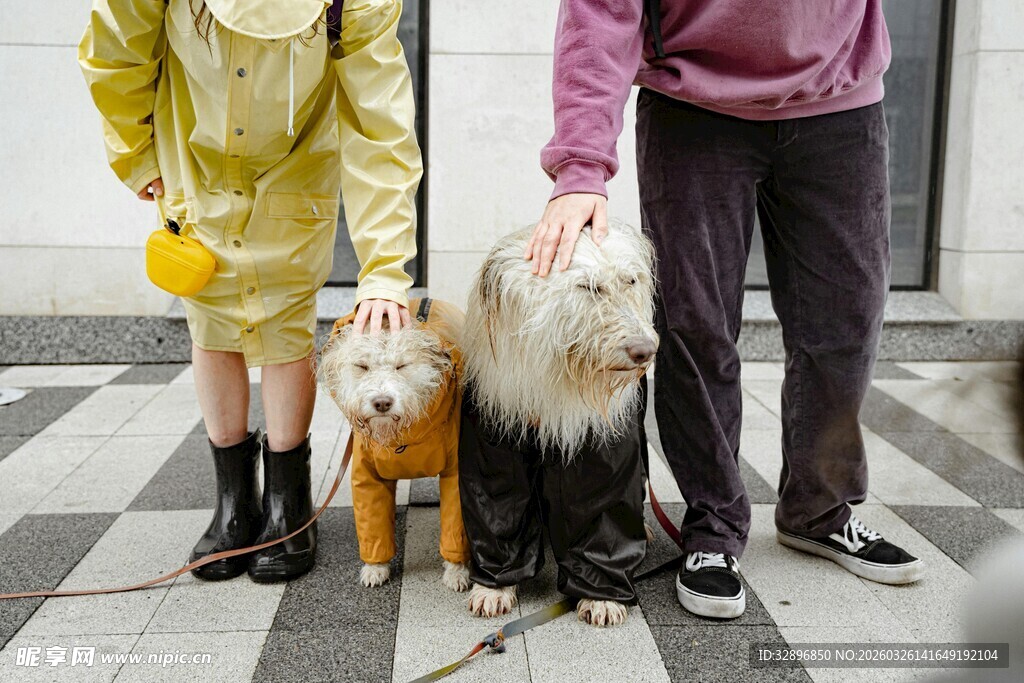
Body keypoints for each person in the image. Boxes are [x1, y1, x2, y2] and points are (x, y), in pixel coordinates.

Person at [529, 0, 924, 619]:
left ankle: (818, 509)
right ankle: (712, 524)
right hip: (695, 105)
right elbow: (599, 10)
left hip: (840, 99)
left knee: (847, 322)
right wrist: (581, 164)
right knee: (694, 327)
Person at [78, 0, 422, 582]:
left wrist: (385, 267)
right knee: (210, 318)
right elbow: (116, 53)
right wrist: (134, 153)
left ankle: (289, 507)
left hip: (296, 166)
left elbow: (379, 120)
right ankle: (234, 504)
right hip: (193, 158)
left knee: (287, 320)